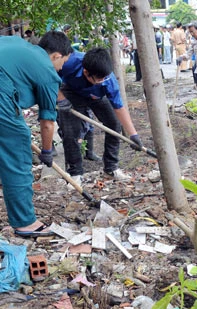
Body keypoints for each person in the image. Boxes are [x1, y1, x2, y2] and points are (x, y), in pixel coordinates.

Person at [0, 31, 72, 236]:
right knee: (17, 151)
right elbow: (47, 122)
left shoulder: (18, 45)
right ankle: (25, 222)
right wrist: (47, 151)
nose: (60, 69)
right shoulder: (47, 69)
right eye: (63, 63)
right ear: (57, 55)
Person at [57, 47, 144, 185]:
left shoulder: (108, 82)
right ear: (86, 72)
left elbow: (119, 107)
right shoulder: (69, 63)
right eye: (99, 78)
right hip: (71, 93)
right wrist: (61, 98)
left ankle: (111, 167)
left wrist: (133, 135)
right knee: (70, 132)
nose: (103, 80)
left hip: (96, 95)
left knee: (114, 124)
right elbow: (48, 77)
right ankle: (75, 173)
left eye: (105, 77)